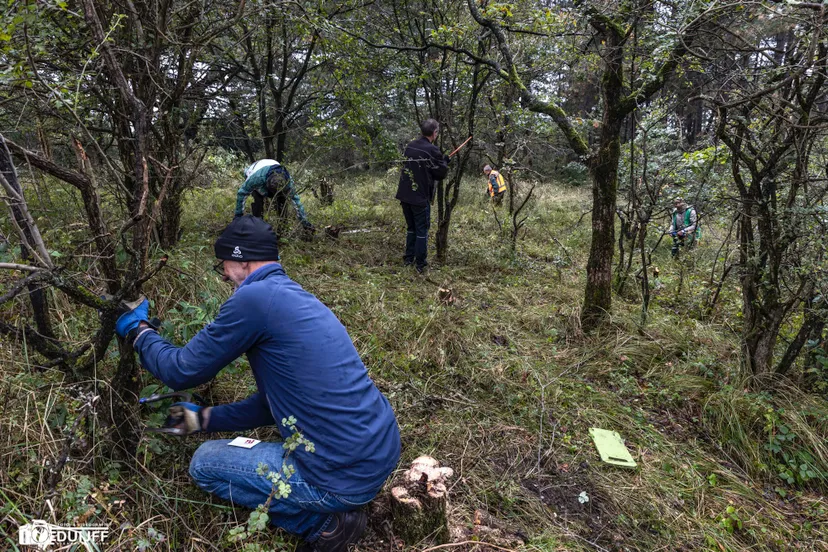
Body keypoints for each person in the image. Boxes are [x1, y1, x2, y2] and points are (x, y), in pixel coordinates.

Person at [114, 215, 401, 552]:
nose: (222, 273)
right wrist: (203, 419)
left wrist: (140, 332)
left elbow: (182, 371)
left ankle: (325, 524)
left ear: (242, 260)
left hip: (341, 478)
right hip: (380, 454)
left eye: (223, 263)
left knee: (205, 464)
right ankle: (333, 501)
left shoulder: (252, 300)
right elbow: (274, 403)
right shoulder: (294, 297)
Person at [395, 119, 450, 274]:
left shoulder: (410, 146)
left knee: (412, 228)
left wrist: (442, 162)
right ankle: (420, 264)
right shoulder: (432, 150)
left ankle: (408, 259)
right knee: (421, 231)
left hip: (405, 196)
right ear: (435, 133)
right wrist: (444, 162)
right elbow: (440, 174)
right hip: (419, 198)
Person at [237, 159, 315, 237]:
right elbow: (241, 193)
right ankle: (258, 228)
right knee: (258, 202)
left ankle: (282, 230)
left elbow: (297, 203)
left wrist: (305, 223)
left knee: (281, 201)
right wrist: (238, 217)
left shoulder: (288, 184)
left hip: (272, 174)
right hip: (257, 173)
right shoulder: (256, 178)